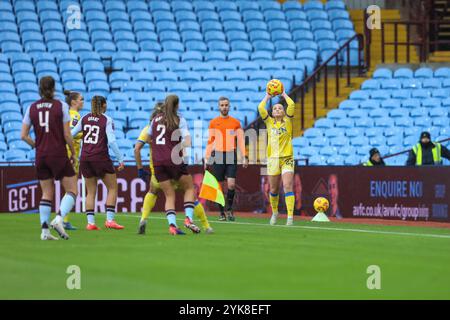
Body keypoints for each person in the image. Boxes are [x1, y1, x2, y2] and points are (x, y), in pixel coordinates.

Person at [134, 103, 213, 235]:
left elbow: (137, 149)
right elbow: (184, 146)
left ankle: (144, 219)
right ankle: (206, 226)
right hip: (175, 168)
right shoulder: (174, 126)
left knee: (153, 191)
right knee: (190, 193)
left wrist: (140, 169)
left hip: (158, 171)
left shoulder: (149, 128)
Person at [20, 76, 77, 240]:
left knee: (47, 192)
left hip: (41, 155)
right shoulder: (61, 106)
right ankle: (59, 219)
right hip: (58, 153)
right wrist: (73, 152)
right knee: (72, 189)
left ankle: (44, 232)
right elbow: (67, 134)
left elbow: (23, 135)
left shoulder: (31, 107)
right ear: (53, 88)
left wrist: (36, 145)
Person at [147, 94, 201, 235]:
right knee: (189, 188)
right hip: (173, 160)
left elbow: (148, 138)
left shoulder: (154, 120)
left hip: (157, 162)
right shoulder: (179, 119)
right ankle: (188, 219)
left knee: (169, 195)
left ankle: (172, 226)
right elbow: (188, 142)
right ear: (177, 105)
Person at [71, 96, 125, 230]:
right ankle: (110, 220)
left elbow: (71, 134)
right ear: (104, 105)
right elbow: (111, 141)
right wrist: (120, 159)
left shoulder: (84, 118)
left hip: (85, 158)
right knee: (112, 188)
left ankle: (90, 223)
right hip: (100, 157)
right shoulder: (106, 119)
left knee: (91, 191)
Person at [204, 96, 248, 221]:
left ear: (229, 106)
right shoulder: (213, 122)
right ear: (219, 107)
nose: (224, 107)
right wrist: (207, 158)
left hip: (230, 154)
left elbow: (240, 141)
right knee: (219, 186)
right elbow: (210, 141)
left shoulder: (235, 123)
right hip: (217, 155)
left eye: (226, 105)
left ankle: (229, 209)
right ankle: (221, 212)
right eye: (222, 105)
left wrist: (244, 156)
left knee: (231, 184)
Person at [258, 90, 296, 226]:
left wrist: (283, 94)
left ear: (284, 111)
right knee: (273, 189)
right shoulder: (269, 122)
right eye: (275, 108)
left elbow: (291, 105)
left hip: (287, 158)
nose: (278, 109)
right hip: (273, 159)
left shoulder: (288, 120)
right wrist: (268, 96)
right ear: (272, 112)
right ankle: (274, 213)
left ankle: (290, 217)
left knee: (287, 186)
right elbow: (260, 108)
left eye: (280, 108)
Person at [62, 90, 84, 230]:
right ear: (74, 102)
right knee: (72, 189)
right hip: (71, 154)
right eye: (81, 99)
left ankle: (64, 219)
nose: (82, 101)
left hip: (66, 153)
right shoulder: (74, 115)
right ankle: (63, 220)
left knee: (69, 189)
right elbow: (71, 133)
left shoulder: (68, 115)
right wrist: (86, 132)